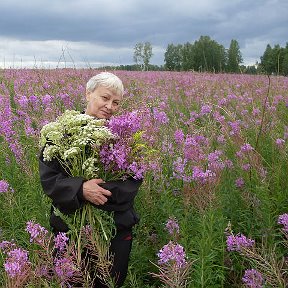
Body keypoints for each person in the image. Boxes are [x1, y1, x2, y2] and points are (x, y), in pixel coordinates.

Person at [39, 72, 142, 287]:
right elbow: (50, 181)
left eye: (116, 103)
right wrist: (80, 189)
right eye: (105, 98)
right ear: (88, 94)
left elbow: (132, 182)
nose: (110, 106)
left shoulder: (124, 137)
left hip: (113, 232)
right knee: (71, 281)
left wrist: (99, 191)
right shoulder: (60, 132)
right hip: (71, 229)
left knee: (109, 282)